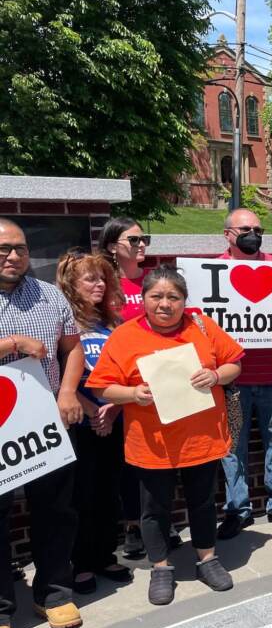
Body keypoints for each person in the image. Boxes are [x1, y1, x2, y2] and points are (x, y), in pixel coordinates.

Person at [86, 266, 242, 605]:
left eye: (174, 297)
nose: (165, 304)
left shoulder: (201, 326)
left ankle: (207, 558)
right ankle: (161, 568)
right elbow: (101, 386)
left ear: (184, 300)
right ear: (142, 299)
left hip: (202, 439)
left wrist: (215, 376)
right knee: (154, 509)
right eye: (156, 296)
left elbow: (234, 364)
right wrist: (132, 395)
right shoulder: (125, 336)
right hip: (152, 444)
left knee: (202, 503)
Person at [0, 219, 85, 628]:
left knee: (56, 509)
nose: (12, 256)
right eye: (3, 248)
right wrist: (12, 341)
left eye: (19, 248)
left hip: (44, 423)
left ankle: (52, 591)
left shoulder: (50, 296)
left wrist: (68, 390)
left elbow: (73, 349)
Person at [215, 208, 272, 539]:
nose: (253, 234)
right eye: (245, 228)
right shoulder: (213, 272)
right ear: (228, 235)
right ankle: (238, 508)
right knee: (232, 446)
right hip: (232, 382)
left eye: (258, 229)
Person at [55, 250, 134, 594]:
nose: (100, 284)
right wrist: (90, 409)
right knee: (80, 495)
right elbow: (57, 376)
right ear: (71, 284)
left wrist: (114, 408)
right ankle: (81, 562)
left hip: (113, 419)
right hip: (78, 423)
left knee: (108, 492)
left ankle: (104, 554)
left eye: (103, 278)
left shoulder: (112, 324)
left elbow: (127, 372)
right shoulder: (62, 323)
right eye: (90, 278)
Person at [96, 216, 151, 557]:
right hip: (117, 389)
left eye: (144, 239)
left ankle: (156, 522)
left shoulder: (153, 282)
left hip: (153, 389)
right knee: (123, 464)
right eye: (133, 240)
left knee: (154, 461)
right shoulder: (103, 285)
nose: (142, 244)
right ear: (113, 246)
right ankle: (133, 526)